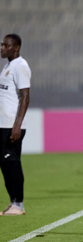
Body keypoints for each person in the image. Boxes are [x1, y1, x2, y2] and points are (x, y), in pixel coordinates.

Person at [0, 34, 31, 216]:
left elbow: (25, 96)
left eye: (5, 45)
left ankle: (18, 204)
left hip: (11, 125)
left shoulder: (21, 66)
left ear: (16, 47)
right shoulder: (7, 67)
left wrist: (17, 125)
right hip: (3, 124)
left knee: (12, 162)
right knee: (5, 163)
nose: (2, 48)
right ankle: (13, 203)